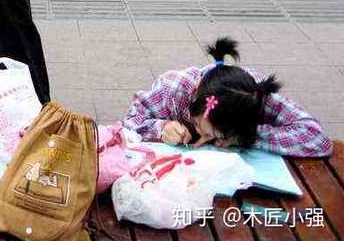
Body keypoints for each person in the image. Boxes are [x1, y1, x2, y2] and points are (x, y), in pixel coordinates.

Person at [121, 37, 332, 157]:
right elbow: (128, 124)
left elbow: (317, 139)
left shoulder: (254, 95)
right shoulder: (174, 88)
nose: (200, 142)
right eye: (198, 127)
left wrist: (245, 136)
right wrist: (161, 127)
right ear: (194, 95)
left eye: (213, 136)